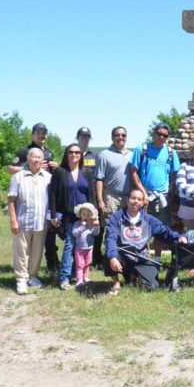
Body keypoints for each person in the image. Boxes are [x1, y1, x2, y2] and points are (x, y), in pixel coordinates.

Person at [105, 188, 188, 292]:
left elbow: (164, 231)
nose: (136, 201)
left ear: (143, 202)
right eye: (133, 198)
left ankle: (132, 275)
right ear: (127, 200)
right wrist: (112, 257)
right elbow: (110, 238)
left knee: (153, 287)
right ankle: (116, 283)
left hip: (140, 258)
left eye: (139, 199)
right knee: (108, 254)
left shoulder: (149, 219)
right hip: (122, 256)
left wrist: (177, 237)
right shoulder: (116, 217)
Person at [8, 123, 60, 273]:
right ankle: (23, 272)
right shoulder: (25, 151)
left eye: (44, 133)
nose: (41, 136)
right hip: (27, 195)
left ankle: (51, 265)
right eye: (38, 133)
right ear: (33, 135)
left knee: (48, 239)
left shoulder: (49, 152)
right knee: (26, 242)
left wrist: (55, 168)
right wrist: (32, 166)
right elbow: (11, 169)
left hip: (45, 199)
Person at [49, 144, 98, 290]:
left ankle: (77, 274)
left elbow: (92, 195)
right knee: (69, 246)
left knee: (82, 246)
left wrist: (94, 215)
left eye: (77, 152)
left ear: (81, 155)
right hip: (68, 216)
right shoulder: (59, 172)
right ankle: (64, 278)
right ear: (66, 154)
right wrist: (53, 215)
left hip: (86, 216)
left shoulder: (86, 172)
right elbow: (52, 194)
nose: (74, 154)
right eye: (71, 152)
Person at [130, 122, 181, 261]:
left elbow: (174, 175)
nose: (161, 137)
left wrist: (170, 194)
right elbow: (133, 172)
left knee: (160, 229)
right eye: (159, 133)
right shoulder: (142, 149)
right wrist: (143, 193)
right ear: (154, 133)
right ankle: (141, 258)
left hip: (162, 198)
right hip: (144, 197)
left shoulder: (171, 153)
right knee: (140, 229)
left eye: (165, 135)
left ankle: (157, 260)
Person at [7, 148, 52, 295]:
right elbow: (11, 200)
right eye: (34, 157)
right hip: (22, 221)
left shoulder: (47, 177)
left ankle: (32, 276)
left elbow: (52, 201)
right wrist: (13, 221)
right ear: (28, 158)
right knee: (21, 252)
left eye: (40, 157)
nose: (37, 160)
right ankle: (21, 279)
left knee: (37, 252)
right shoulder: (18, 177)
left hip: (41, 222)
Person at [95, 126, 133, 295]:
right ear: (112, 137)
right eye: (117, 135)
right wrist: (100, 200)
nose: (120, 138)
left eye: (123, 135)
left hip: (129, 199)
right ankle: (114, 279)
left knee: (129, 235)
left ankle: (129, 273)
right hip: (110, 197)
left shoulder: (132, 154)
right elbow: (99, 179)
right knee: (111, 236)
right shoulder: (104, 155)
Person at [75, 126, 102, 268]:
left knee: (95, 224)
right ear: (77, 138)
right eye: (82, 136)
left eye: (87, 136)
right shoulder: (73, 153)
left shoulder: (94, 156)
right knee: (78, 225)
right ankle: (77, 257)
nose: (84, 139)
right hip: (77, 195)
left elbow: (98, 177)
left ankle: (95, 257)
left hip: (91, 196)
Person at [71, 202, 100, 290]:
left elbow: (95, 233)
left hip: (89, 248)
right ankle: (79, 280)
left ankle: (85, 277)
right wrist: (82, 227)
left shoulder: (91, 224)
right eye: (83, 214)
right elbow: (74, 233)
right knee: (80, 264)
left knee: (87, 264)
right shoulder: (77, 223)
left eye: (88, 214)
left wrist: (96, 226)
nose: (86, 216)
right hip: (80, 248)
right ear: (80, 214)